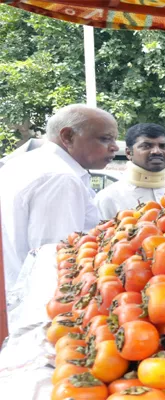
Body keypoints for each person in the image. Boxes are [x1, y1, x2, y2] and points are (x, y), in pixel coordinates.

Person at [0, 104, 118, 293]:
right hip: (36, 304)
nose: (114, 147)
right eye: (105, 139)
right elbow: (56, 261)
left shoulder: (22, 164)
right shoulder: (60, 178)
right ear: (68, 137)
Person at [94, 123, 165, 219]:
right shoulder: (109, 198)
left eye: (163, 146)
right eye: (146, 146)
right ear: (129, 153)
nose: (157, 151)